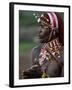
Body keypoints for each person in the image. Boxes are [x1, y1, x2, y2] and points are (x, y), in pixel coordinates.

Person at [22, 12, 64, 78]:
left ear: (54, 30)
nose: (39, 30)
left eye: (43, 27)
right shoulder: (36, 51)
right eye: (40, 26)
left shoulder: (64, 55)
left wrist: (41, 75)